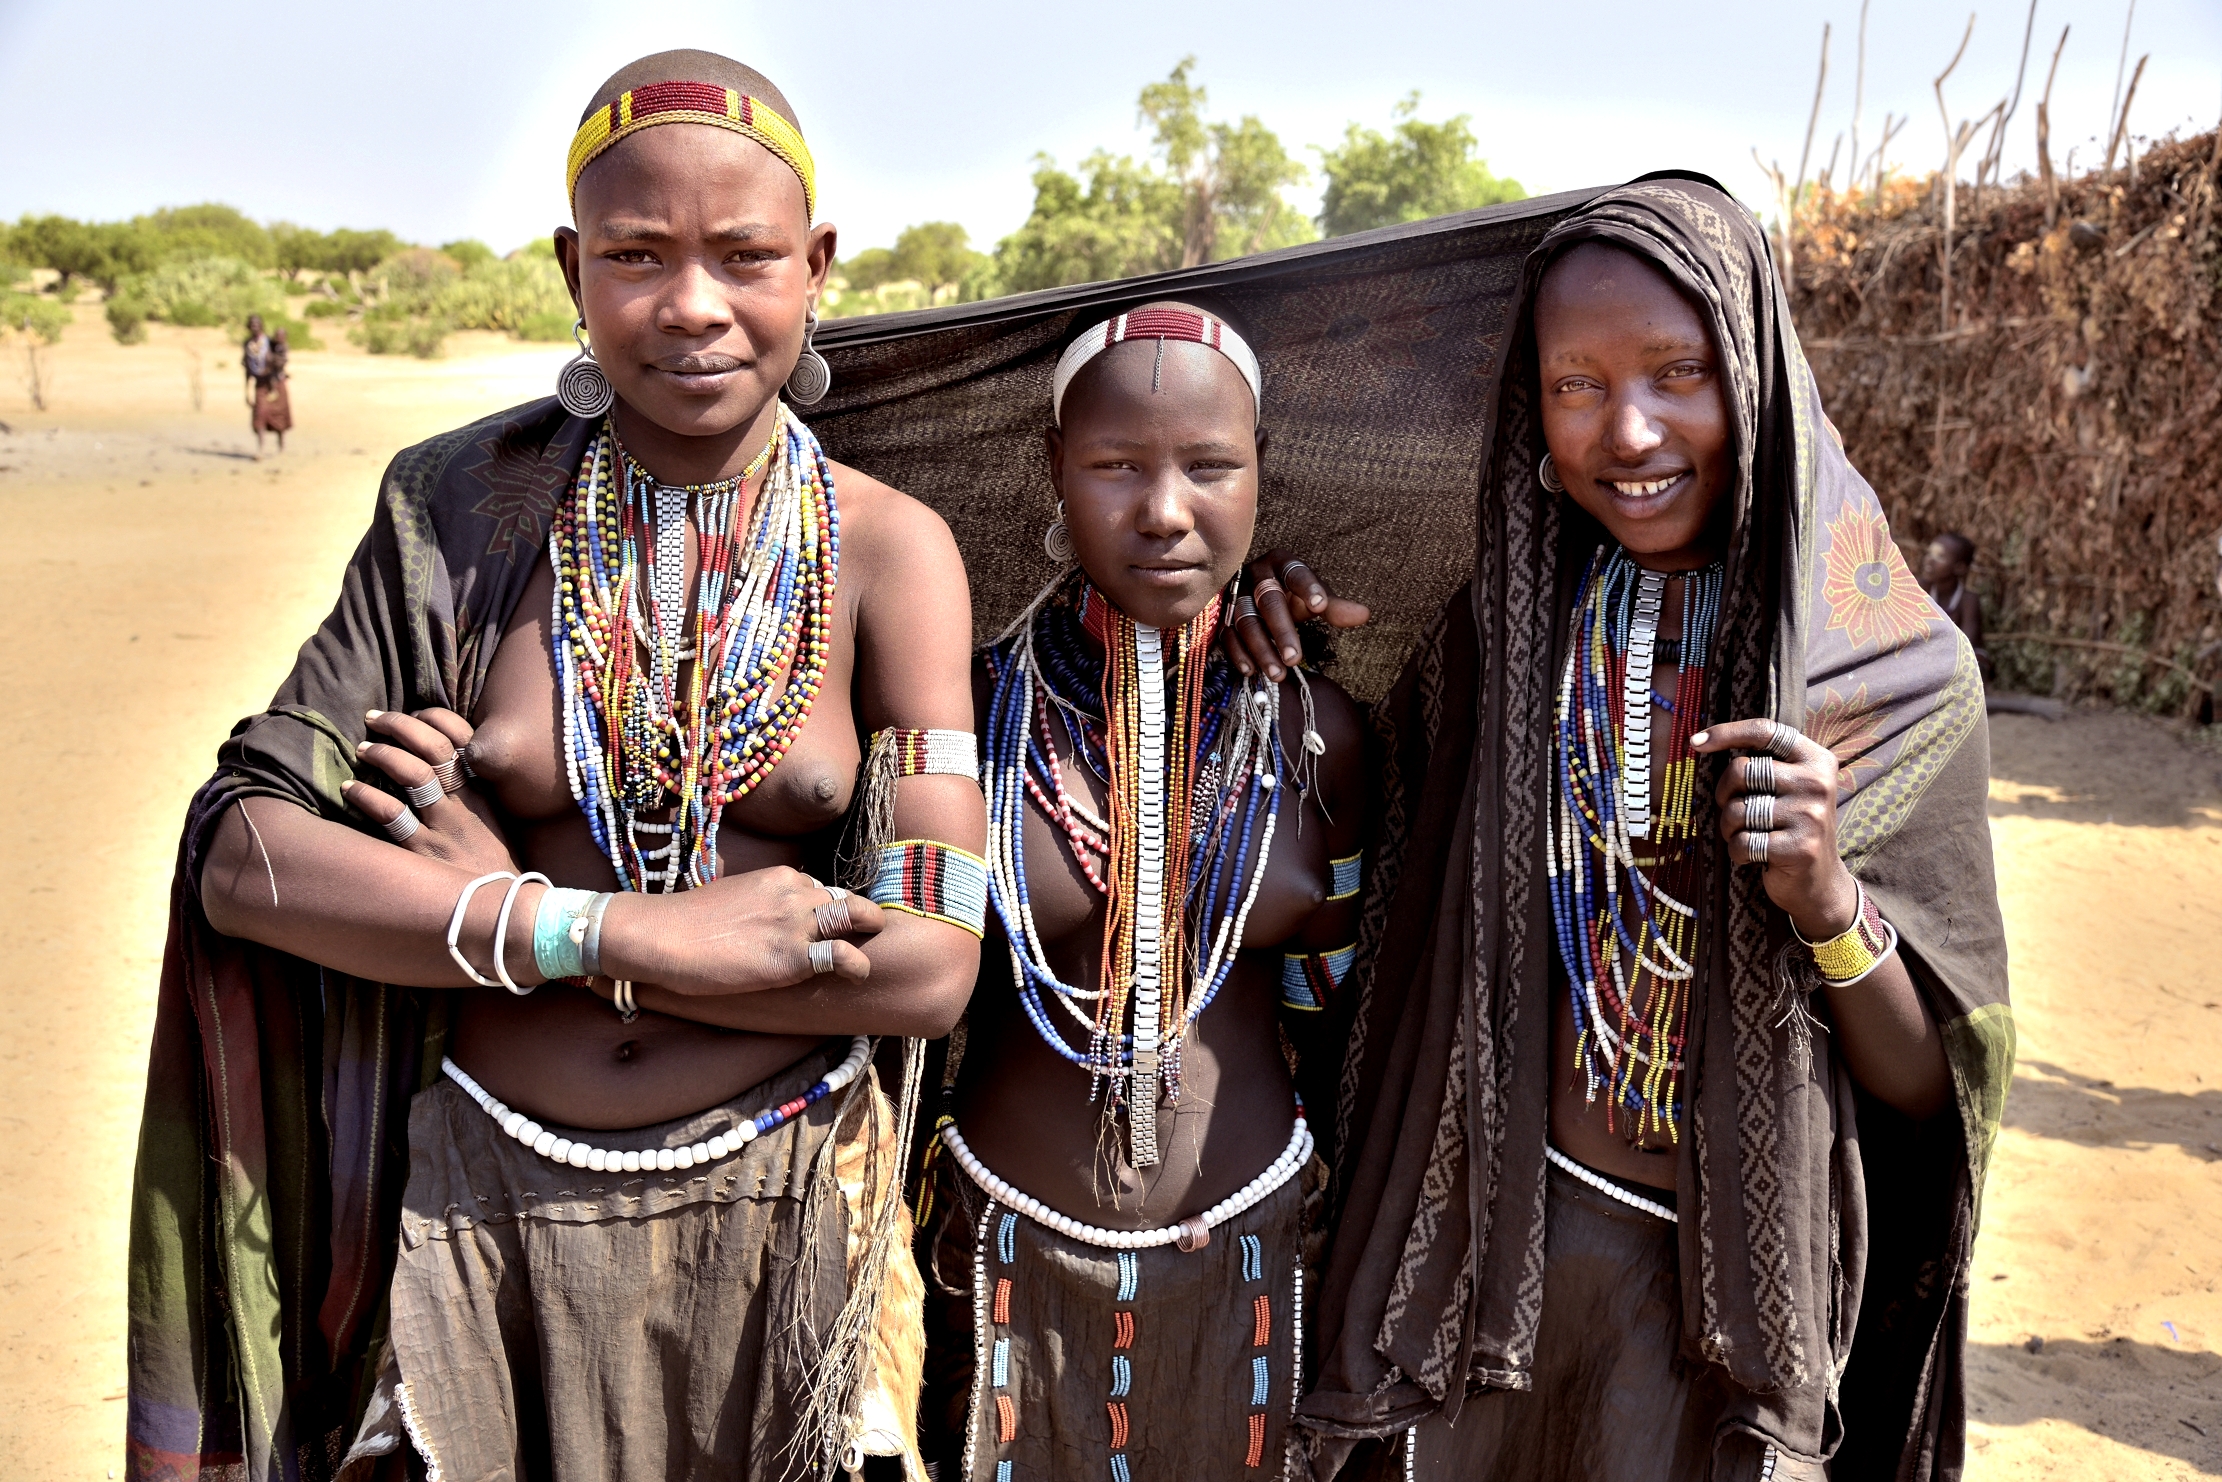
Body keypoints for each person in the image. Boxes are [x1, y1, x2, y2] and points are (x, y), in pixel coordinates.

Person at [127, 50, 981, 1482]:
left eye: (745, 255)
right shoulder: (460, 511)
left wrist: (498, 920)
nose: (693, 304)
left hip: (787, 1215)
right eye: (638, 256)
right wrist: (609, 925)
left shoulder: (889, 552)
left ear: (817, 266)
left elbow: (931, 961)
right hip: (480, 1215)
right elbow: (244, 858)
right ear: (568, 269)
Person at [1286, 180, 2013, 1481]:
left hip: (1719, 1320)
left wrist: (1825, 900)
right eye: (1575, 384)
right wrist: (1254, 639)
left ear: (1755, 370)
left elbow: (1923, 1093)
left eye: (1678, 372)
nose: (1626, 430)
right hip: (1483, 1273)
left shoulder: (1895, 681)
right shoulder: (1496, 641)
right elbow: (1362, 872)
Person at [913, 304, 1366, 1481]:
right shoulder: (965, 715)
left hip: (1259, 1260)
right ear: (1052, 478)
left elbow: (1336, 1008)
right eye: (1115, 466)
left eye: (1210, 466)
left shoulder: (1322, 734)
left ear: (1263, 478)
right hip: (998, 1251)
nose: (1164, 510)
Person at [1920, 531, 1988, 673]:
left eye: (1940, 557)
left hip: (1954, 660)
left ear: (1960, 568)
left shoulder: (1968, 600)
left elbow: (1967, 644)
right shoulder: (1919, 589)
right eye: (1930, 553)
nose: (1929, 560)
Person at [242, 314, 291, 457]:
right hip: (260, 384)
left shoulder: (270, 342)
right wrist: (247, 391)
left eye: (257, 324)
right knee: (260, 414)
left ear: (261, 326)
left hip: (276, 383)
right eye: (252, 324)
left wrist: (274, 367)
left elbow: (282, 356)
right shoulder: (247, 344)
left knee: (279, 415)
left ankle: (281, 447)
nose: (254, 326)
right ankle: (261, 450)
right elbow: (247, 368)